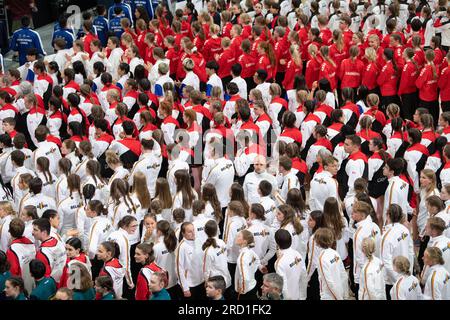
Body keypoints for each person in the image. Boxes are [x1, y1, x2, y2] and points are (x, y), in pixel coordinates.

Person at [380, 204, 414, 297]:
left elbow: (386, 261)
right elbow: (411, 252)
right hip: (405, 276)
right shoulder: (405, 230)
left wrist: (398, 280)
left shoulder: (386, 236)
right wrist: (408, 274)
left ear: (388, 215)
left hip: (392, 281)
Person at [351, 201, 381, 296]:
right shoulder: (375, 226)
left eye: (355, 212)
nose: (352, 214)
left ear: (363, 215)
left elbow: (358, 256)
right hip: (375, 268)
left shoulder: (359, 232)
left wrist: (365, 273)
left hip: (363, 273)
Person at [315, 228, 349, 300]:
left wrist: (339, 298)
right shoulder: (335, 253)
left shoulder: (322, 258)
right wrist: (345, 295)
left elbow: (328, 282)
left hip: (329, 295)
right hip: (340, 291)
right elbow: (344, 275)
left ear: (318, 241)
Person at [274, 229, 307, 300]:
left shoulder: (279, 262)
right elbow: (304, 276)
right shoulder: (297, 254)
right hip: (298, 295)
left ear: (277, 243)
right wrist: (303, 297)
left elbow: (283, 286)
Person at [32, 218, 66, 284]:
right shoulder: (59, 242)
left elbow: (44, 278)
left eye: (35, 230)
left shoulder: (42, 252)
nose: (32, 232)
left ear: (44, 232)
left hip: (52, 286)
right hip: (63, 281)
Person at [6, 218, 36, 293]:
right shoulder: (31, 243)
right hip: (33, 280)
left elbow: (13, 272)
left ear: (10, 232)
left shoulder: (12, 250)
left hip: (21, 287)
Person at [235, 229, 261, 300]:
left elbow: (245, 278)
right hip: (253, 285)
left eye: (239, 236)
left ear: (244, 241)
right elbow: (257, 261)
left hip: (246, 292)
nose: (236, 237)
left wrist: (243, 291)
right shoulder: (250, 251)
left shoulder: (242, 257)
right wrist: (251, 271)